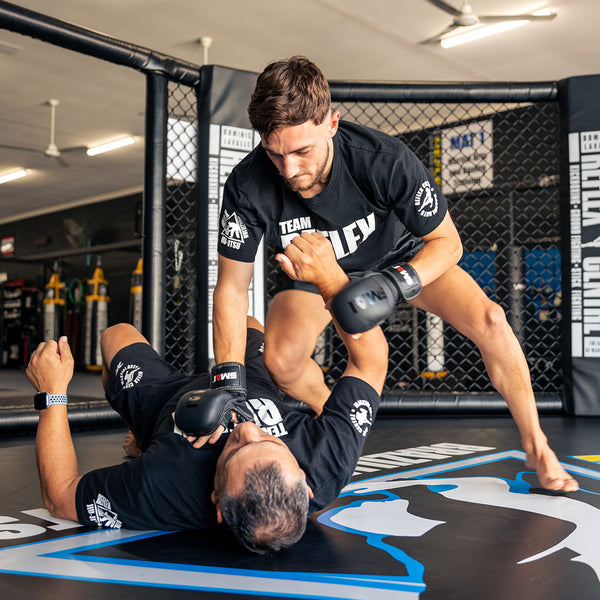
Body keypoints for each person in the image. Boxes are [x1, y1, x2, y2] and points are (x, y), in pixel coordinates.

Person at [213, 55, 578, 493]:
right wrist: (229, 384)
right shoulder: (248, 184)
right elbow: (232, 289)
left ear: (332, 123)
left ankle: (536, 443)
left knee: (492, 320)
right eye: (275, 153)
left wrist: (395, 284)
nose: (289, 169)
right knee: (281, 360)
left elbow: (450, 243)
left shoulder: (383, 159)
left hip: (396, 260)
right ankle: (342, 416)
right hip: (313, 279)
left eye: (301, 151)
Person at [26, 232, 388, 553]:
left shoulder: (164, 486)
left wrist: (52, 393)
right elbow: (370, 362)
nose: (245, 428)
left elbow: (60, 497)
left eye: (236, 449)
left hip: (164, 406)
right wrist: (331, 279)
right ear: (306, 486)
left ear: (216, 499)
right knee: (247, 324)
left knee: (116, 334)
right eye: (270, 440)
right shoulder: (326, 463)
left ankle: (142, 435)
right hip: (251, 381)